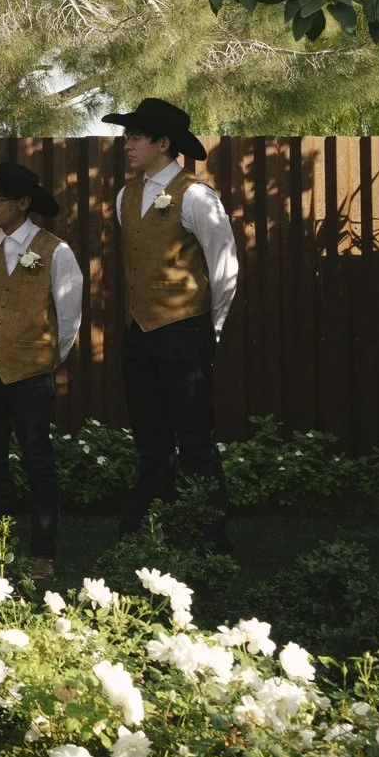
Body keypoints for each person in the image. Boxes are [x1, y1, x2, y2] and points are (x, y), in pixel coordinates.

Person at [102, 97, 239, 544]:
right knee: (150, 441)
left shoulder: (196, 195)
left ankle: (209, 539)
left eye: (136, 137)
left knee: (195, 440)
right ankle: (149, 533)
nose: (127, 145)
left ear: (163, 143)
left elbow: (225, 268)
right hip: (138, 333)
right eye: (127, 137)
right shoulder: (125, 196)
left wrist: (209, 329)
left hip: (185, 331)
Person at [0, 162, 82, 581]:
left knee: (38, 460)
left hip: (32, 374)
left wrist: (43, 359)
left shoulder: (56, 251)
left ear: (24, 203)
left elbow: (69, 321)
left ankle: (43, 552)